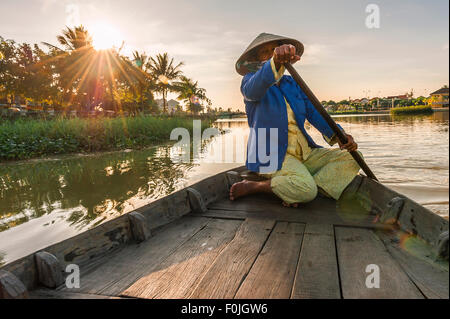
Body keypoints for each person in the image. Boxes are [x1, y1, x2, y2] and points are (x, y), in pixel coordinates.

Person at [230, 33, 362, 207]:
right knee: (306, 190)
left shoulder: (292, 83)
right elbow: (254, 89)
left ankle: (297, 187)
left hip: (304, 152)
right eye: (266, 52)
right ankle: (258, 186)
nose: (271, 54)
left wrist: (340, 135)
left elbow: (314, 113)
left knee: (355, 157)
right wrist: (275, 62)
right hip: (271, 155)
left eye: (274, 50)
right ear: (256, 59)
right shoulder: (249, 81)